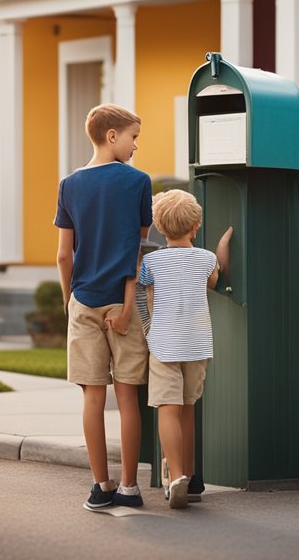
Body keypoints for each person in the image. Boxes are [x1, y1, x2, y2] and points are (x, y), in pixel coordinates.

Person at [55, 104, 153, 511]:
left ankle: (100, 486)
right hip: (123, 303)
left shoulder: (69, 185)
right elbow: (138, 248)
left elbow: (64, 255)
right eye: (133, 137)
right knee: (127, 398)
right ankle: (129, 487)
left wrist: (69, 301)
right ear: (112, 136)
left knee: (92, 398)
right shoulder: (139, 182)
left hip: (84, 299)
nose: (135, 146)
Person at [138, 189, 232, 509]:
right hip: (197, 345)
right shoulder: (205, 259)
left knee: (168, 409)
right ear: (195, 227)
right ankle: (189, 478)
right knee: (188, 409)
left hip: (163, 344)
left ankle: (176, 475)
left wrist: (146, 325)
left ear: (160, 228)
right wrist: (222, 247)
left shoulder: (151, 262)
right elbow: (215, 278)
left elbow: (139, 290)